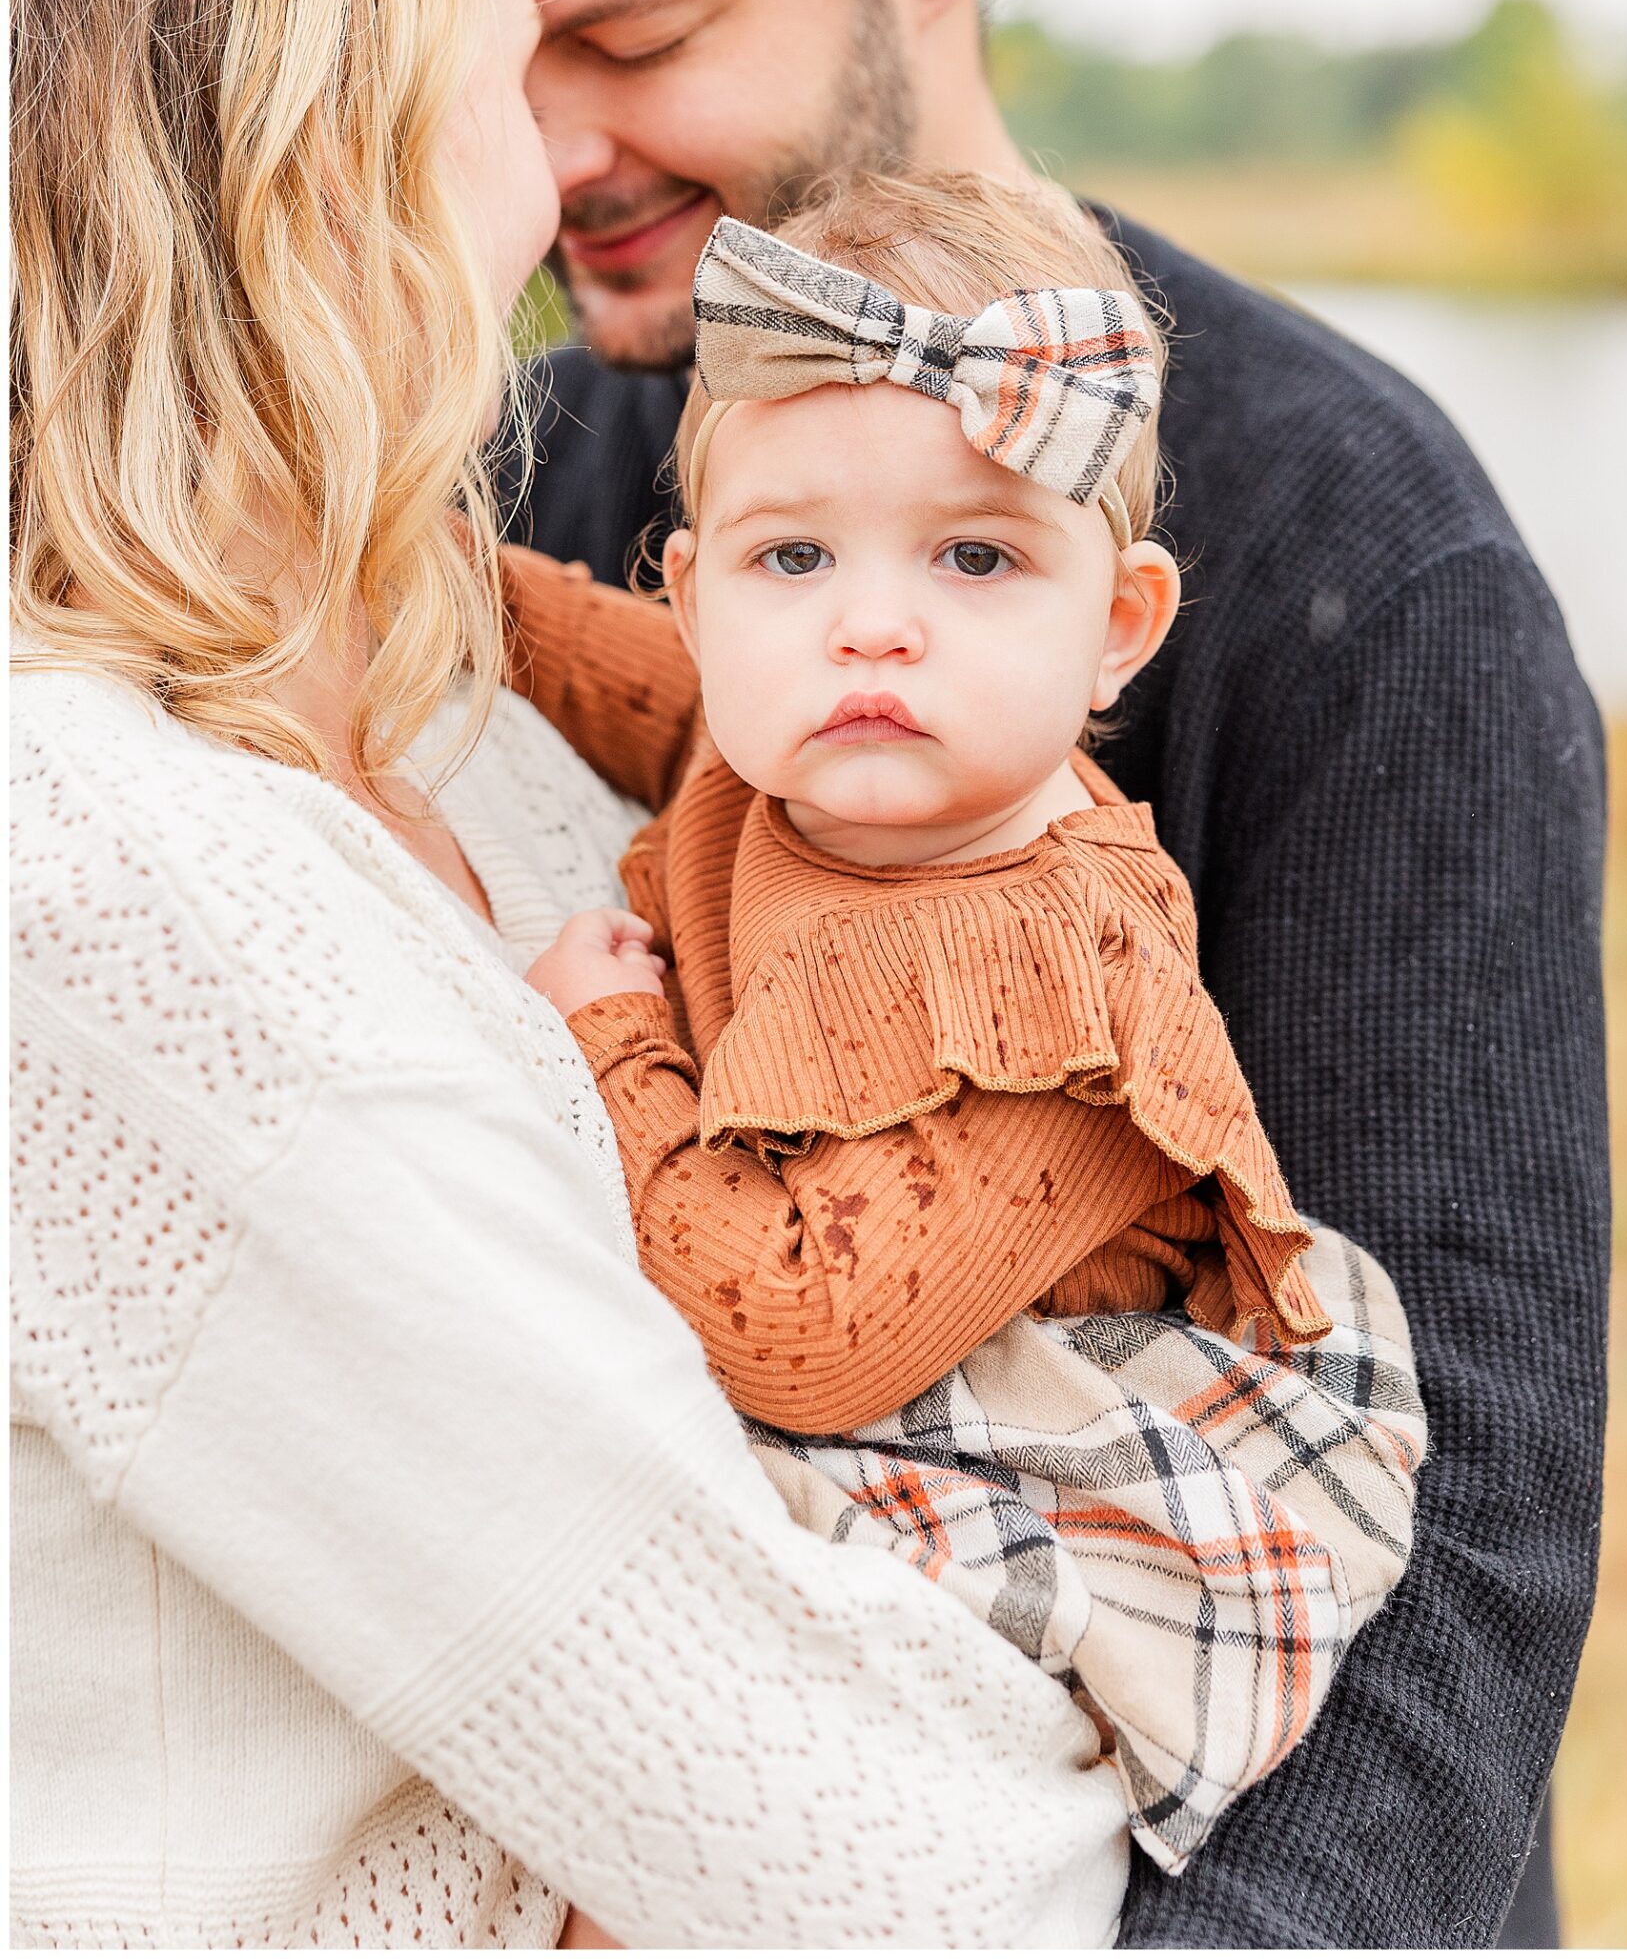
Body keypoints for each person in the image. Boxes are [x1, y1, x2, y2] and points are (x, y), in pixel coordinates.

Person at [342, 0, 1609, 1948]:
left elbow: (1457, 1561)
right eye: (495, 55)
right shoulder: (522, 465)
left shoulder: (1365, 554)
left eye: (636, 31)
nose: (551, 147)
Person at [10, 0, 1139, 1951]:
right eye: (511, 64)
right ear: (346, 169)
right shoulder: (131, 882)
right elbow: (901, 1873)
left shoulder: (449, 731)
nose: (557, 165)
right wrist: (1086, 1663)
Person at [503, 168, 1428, 1875]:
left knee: (709, 1820)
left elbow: (800, 1337)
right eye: (794, 554)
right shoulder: (795, 750)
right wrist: (425, 584)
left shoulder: (1060, 986)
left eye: (977, 554)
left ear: (1118, 630)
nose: (872, 622)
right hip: (843, 1345)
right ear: (704, 596)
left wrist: (615, 1045)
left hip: (1022, 1444)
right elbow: (630, 683)